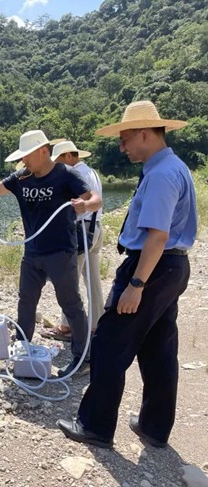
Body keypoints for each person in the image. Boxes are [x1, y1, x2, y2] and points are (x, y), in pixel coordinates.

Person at [56, 100, 197, 449]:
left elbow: (157, 236)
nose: (122, 147)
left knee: (108, 344)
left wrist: (136, 284)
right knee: (158, 348)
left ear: (145, 134)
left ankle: (95, 426)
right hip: (171, 267)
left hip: (151, 267)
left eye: (125, 139)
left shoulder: (162, 174)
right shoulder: (171, 167)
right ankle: (154, 426)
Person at [0, 130, 103, 377]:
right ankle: (22, 349)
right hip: (32, 252)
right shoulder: (22, 177)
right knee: (26, 301)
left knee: (71, 304)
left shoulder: (66, 175)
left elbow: (95, 199)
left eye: (27, 155)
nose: (23, 160)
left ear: (43, 152)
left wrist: (85, 205)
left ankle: (83, 358)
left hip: (61, 252)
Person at [43, 141, 104, 340]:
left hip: (81, 230)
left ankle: (66, 327)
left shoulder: (76, 175)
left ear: (69, 156)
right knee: (93, 279)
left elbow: (74, 207)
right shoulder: (92, 172)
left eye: (60, 160)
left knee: (70, 279)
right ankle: (97, 324)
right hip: (95, 229)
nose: (59, 166)